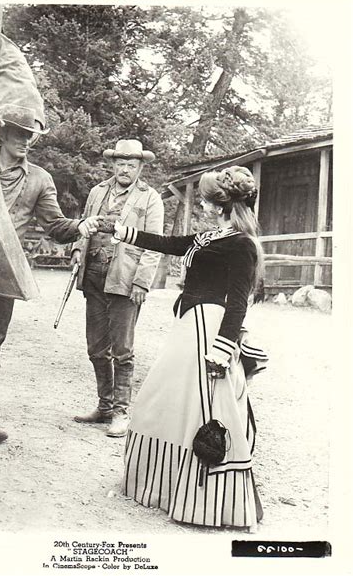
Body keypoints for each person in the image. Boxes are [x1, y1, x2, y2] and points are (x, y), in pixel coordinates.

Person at [113, 166, 265, 530]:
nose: (200, 204)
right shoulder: (209, 237)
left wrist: (223, 349)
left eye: (204, 199)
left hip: (210, 332)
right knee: (165, 401)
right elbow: (169, 244)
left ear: (219, 204)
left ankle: (205, 500)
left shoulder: (241, 243)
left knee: (204, 410)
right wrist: (120, 231)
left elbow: (238, 301)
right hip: (189, 328)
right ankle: (165, 486)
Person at [0, 103, 101, 461]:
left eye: (30, 136)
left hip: (3, 274)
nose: (26, 142)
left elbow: (56, 224)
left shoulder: (38, 179)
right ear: (2, 133)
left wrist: (80, 227)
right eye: (20, 134)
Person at [72, 140, 164, 438]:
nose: (125, 169)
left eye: (131, 164)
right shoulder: (98, 192)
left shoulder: (150, 199)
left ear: (140, 167)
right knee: (96, 347)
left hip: (126, 280)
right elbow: (84, 227)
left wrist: (142, 281)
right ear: (113, 164)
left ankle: (122, 412)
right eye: (121, 163)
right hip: (95, 276)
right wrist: (76, 250)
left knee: (122, 349)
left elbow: (154, 245)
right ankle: (105, 407)